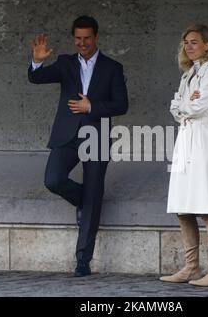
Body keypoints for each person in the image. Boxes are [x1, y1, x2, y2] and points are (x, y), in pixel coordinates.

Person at [28, 16, 128, 277]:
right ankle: (85, 200)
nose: (82, 43)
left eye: (87, 38)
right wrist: (37, 61)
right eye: (78, 38)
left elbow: (122, 104)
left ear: (96, 37)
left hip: (96, 136)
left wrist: (91, 106)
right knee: (53, 179)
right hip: (67, 136)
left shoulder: (112, 68)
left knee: (94, 194)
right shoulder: (65, 63)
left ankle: (83, 262)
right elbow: (35, 78)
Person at [160, 24, 208, 286]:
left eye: (194, 42)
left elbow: (196, 105)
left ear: (207, 45)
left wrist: (184, 105)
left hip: (204, 140)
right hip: (186, 139)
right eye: (185, 42)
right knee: (183, 207)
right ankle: (191, 267)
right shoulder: (189, 74)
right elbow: (177, 107)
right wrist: (184, 104)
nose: (188, 46)